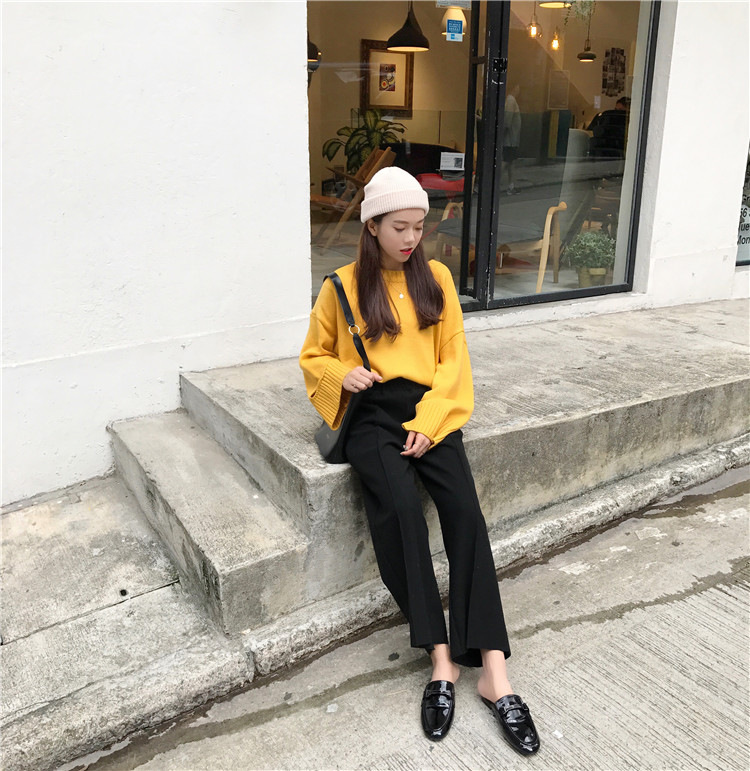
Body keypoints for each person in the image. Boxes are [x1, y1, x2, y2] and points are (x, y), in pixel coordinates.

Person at [299, 167, 540, 756]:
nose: (411, 238)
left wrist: (431, 423)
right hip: (371, 414)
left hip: (431, 410)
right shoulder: (341, 286)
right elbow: (312, 356)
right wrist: (342, 374)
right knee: (401, 512)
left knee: (465, 514)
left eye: (418, 226)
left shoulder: (436, 279)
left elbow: (454, 361)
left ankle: (494, 670)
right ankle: (440, 659)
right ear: (372, 226)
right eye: (399, 227)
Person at [502, 83, 522, 195]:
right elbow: (507, 122)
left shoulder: (510, 100)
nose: (519, 90)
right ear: (514, 87)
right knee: (505, 162)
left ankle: (511, 186)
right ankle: (493, 185)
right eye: (518, 87)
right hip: (509, 140)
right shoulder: (511, 100)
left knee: (510, 163)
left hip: (511, 139)